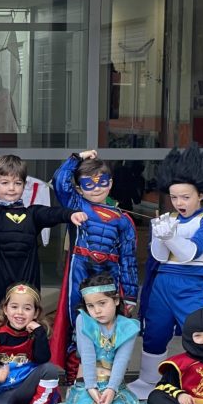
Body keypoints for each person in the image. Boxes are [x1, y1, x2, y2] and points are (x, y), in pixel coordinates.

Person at [133, 144, 203, 398]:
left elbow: (190, 254)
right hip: (162, 283)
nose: (179, 202)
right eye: (174, 197)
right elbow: (159, 256)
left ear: (201, 195)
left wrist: (169, 236)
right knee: (154, 332)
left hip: (190, 285)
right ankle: (148, 381)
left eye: (185, 197)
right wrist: (158, 235)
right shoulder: (170, 219)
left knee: (200, 334)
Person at [49, 149, 139, 377]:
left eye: (102, 182)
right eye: (89, 184)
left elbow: (128, 259)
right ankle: (75, 375)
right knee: (76, 319)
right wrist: (77, 158)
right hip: (81, 267)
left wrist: (129, 295)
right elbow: (60, 181)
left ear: (111, 183)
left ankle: (105, 375)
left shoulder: (123, 219)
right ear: (79, 188)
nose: (97, 188)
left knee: (108, 322)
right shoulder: (76, 204)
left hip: (110, 271)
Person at [0, 154, 86, 320]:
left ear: (24, 185)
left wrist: (71, 214)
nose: (11, 188)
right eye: (5, 183)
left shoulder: (33, 214)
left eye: (17, 183)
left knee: (29, 324)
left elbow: (52, 213)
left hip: (28, 283)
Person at [43, 273, 155, 404]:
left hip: (115, 386)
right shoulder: (84, 320)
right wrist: (91, 388)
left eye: (102, 303)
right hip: (87, 384)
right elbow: (87, 357)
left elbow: (121, 360)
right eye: (90, 305)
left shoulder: (128, 326)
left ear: (115, 300)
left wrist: (111, 389)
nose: (97, 311)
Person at [0, 283, 64, 404]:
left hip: (30, 387)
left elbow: (42, 359)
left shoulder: (36, 334)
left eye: (27, 308)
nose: (20, 312)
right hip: (6, 389)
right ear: (5, 310)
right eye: (14, 307)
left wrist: (39, 333)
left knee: (50, 369)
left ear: (35, 313)